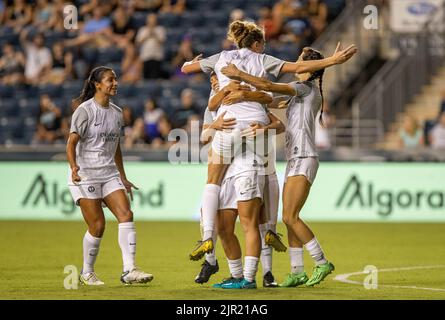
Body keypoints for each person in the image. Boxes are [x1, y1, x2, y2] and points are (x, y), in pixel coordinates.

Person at [181, 20, 357, 263]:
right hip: (257, 126)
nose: (264, 47)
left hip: (230, 123)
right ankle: (272, 240)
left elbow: (186, 71)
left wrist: (190, 63)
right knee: (267, 179)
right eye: (262, 43)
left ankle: (207, 235)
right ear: (256, 44)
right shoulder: (264, 61)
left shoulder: (221, 57)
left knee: (213, 181)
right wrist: (332, 61)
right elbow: (290, 71)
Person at [221, 46, 338, 287]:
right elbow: (271, 100)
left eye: (300, 62)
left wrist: (240, 75)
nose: (296, 65)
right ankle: (297, 271)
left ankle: (321, 260)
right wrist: (246, 96)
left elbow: (270, 87)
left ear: (308, 69)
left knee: (290, 216)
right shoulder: (302, 93)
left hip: (303, 156)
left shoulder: (304, 88)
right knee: (289, 218)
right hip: (296, 158)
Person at [66, 66, 153, 285]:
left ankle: (129, 270)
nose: (115, 83)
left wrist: (122, 177)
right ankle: (87, 272)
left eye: (115, 80)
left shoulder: (117, 112)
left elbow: (115, 147)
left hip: (109, 173)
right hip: (86, 174)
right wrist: (74, 167)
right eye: (110, 80)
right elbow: (71, 142)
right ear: (97, 85)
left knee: (126, 214)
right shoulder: (85, 111)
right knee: (98, 226)